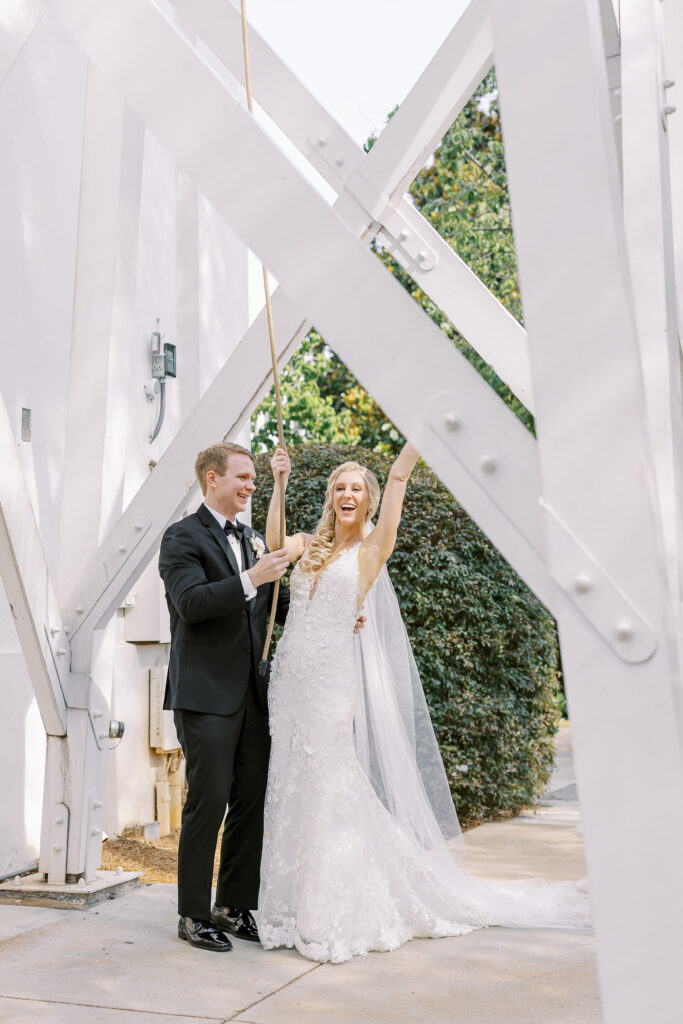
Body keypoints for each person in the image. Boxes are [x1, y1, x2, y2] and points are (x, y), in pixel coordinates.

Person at [256, 443, 589, 964]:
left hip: (328, 686)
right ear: (330, 498)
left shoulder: (371, 550)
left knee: (328, 785)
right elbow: (274, 545)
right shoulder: (310, 545)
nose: (348, 495)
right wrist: (278, 481)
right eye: (340, 488)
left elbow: (395, 491)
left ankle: (332, 910)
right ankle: (293, 906)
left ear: (366, 501)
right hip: (288, 684)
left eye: (356, 489)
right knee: (290, 784)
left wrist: (408, 454)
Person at [158, 441, 291, 952]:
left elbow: (274, 606)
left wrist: (334, 616)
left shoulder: (256, 537)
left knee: (250, 800)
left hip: (253, 694)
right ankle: (192, 914)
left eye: (254, 477)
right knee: (207, 801)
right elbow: (190, 603)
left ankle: (233, 905)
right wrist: (251, 577)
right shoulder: (181, 537)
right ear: (212, 479)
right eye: (242, 476)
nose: (250, 484)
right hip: (205, 694)